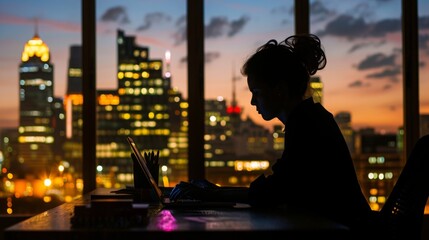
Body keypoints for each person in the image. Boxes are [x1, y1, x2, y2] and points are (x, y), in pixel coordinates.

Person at [169, 33, 372, 231]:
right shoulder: (309, 119)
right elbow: (277, 189)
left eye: (256, 93)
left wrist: (214, 195)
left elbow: (273, 192)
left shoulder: (306, 124)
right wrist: (217, 193)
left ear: (279, 90)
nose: (252, 102)